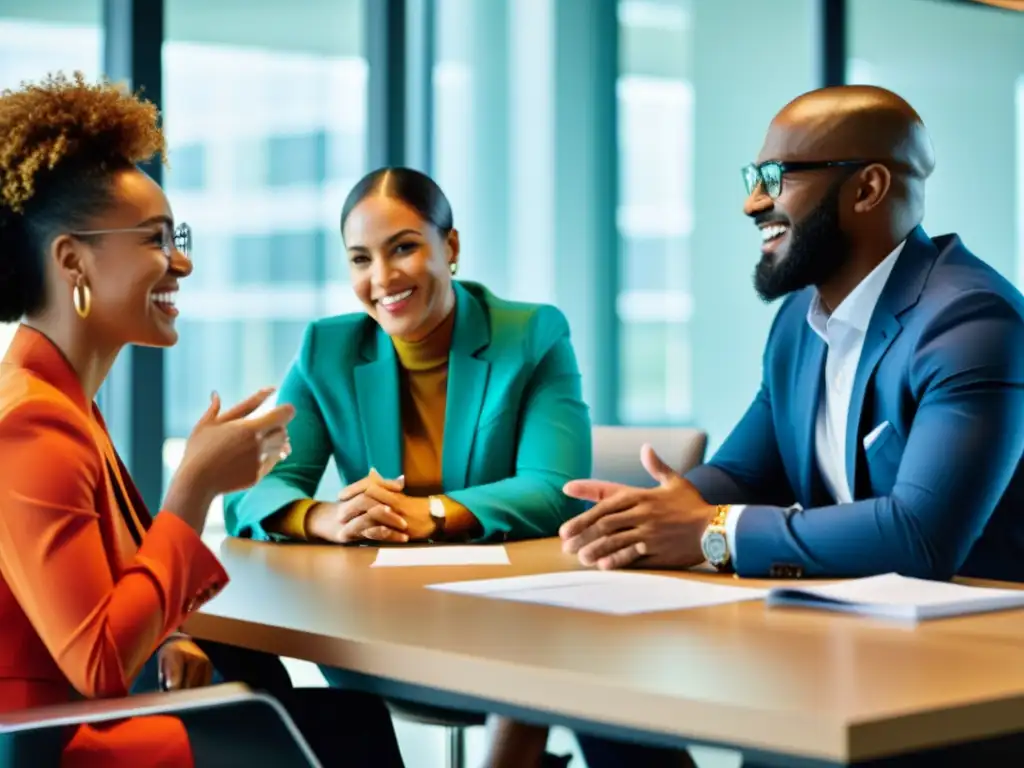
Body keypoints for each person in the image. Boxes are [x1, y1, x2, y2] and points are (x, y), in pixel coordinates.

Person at [559, 84, 1024, 765]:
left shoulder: (971, 322)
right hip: (843, 646)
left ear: (866, 188)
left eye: (777, 177)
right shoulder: (800, 324)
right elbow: (746, 471)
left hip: (966, 685)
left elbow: (922, 536)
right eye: (754, 178)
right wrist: (663, 508)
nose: (754, 202)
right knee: (599, 694)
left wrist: (710, 532)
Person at [0, 73, 403, 767]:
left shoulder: (59, 400)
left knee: (307, 708)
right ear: (73, 262)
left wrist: (165, 640)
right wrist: (192, 490)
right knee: (344, 732)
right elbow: (96, 658)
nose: (181, 262)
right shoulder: (32, 424)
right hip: (58, 749)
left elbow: (91, 598)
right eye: (157, 239)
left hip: (82, 724)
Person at [224, 166, 592, 767]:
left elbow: (557, 490)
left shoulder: (532, 334)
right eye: (360, 259)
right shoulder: (328, 348)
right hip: (375, 630)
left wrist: (432, 514)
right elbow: (250, 491)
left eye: (404, 248)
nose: (382, 278)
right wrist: (327, 518)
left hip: (512, 631)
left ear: (449, 246)